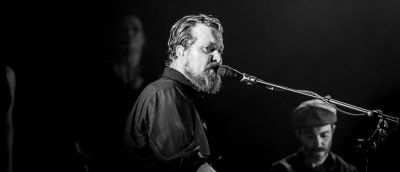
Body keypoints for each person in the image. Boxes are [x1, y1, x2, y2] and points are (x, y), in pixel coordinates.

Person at [123, 14, 224, 172]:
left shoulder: (180, 95)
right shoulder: (165, 93)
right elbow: (191, 166)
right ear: (181, 51)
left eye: (220, 51)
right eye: (209, 49)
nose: (218, 59)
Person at [270, 99, 358, 172]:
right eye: (310, 136)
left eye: (324, 135)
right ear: (298, 134)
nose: (318, 143)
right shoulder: (281, 169)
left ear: (333, 130)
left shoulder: (347, 170)